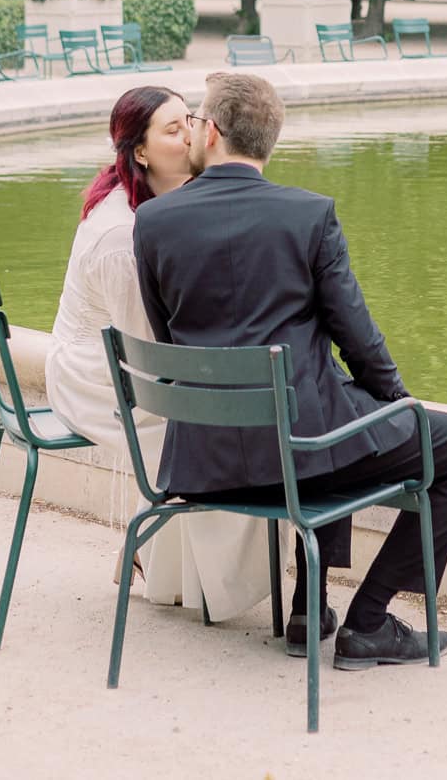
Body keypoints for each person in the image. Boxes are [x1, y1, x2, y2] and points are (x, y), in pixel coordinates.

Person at [134, 70, 447, 668]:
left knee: (330, 408)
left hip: (201, 459)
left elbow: (166, 337)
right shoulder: (308, 216)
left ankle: (310, 605)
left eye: (196, 120)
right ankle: (370, 619)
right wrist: (399, 404)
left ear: (214, 133)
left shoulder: (154, 223)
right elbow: (359, 338)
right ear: (266, 141)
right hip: (297, 451)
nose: (194, 131)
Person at [46, 84, 275, 620]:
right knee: (213, 423)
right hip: (96, 373)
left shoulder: (163, 202)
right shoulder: (121, 236)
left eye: (190, 121)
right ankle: (169, 563)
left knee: (228, 410)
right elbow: (147, 351)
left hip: (127, 357)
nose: (191, 134)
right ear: (140, 152)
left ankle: (169, 566)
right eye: (173, 130)